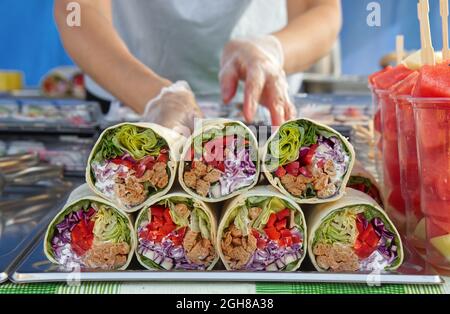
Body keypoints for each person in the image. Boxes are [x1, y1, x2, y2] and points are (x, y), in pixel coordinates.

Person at [54, 0, 342, 133]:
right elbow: (77, 11)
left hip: (263, 103)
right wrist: (154, 95)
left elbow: (320, 9)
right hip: (128, 98)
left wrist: (272, 51)